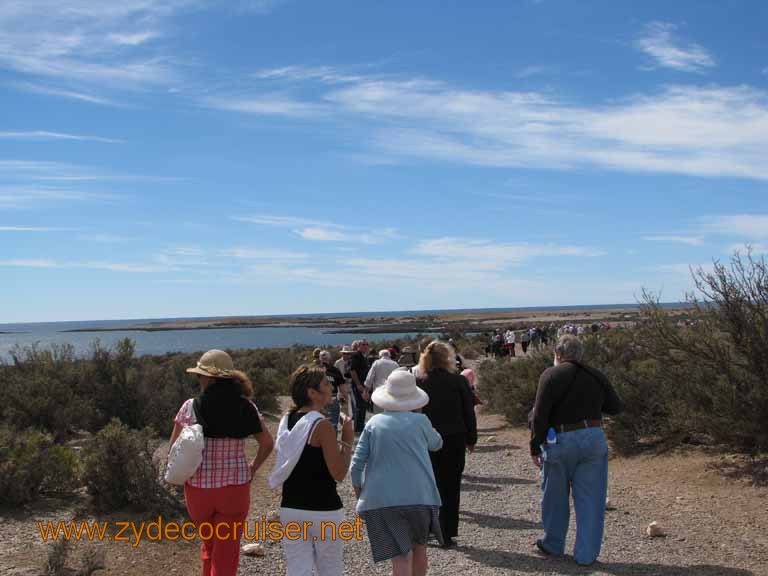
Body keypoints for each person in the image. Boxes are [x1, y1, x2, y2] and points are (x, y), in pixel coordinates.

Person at [170, 349, 274, 576]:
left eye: (200, 375)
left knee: (209, 545)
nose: (198, 380)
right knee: (226, 551)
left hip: (198, 491)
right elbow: (267, 443)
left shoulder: (189, 406)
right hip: (234, 490)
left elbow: (173, 449)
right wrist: (252, 468)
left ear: (209, 377)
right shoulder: (247, 406)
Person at [529, 335, 623, 566]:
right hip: (593, 438)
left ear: (558, 355)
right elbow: (615, 407)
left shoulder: (551, 375)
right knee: (591, 499)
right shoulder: (596, 375)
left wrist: (534, 445)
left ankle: (553, 544)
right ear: (580, 355)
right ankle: (586, 554)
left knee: (554, 496)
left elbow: (540, 414)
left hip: (560, 440)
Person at [351, 369, 444, 575]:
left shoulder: (373, 423)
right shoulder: (421, 422)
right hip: (421, 496)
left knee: (400, 557)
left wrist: (360, 495)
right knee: (420, 550)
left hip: (384, 500)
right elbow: (437, 444)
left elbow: (356, 465)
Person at [268, 365, 355, 576]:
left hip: (291, 507)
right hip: (324, 508)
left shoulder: (287, 421)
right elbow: (339, 473)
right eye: (326, 383)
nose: (331, 387)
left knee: (297, 569)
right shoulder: (321, 425)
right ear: (312, 392)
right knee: (330, 568)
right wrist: (347, 440)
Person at [417, 341, 477, 547]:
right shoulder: (458, 381)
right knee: (450, 486)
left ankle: (426, 530)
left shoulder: (419, 382)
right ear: (448, 358)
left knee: (427, 485)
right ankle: (447, 532)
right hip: (454, 438)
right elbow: (468, 411)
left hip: (425, 440)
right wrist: (472, 438)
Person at [319, 350, 345, 430]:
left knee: (318, 424)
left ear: (320, 359)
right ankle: (332, 441)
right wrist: (345, 398)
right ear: (329, 359)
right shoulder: (335, 370)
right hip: (332, 398)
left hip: (318, 399)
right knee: (333, 424)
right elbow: (342, 388)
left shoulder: (315, 370)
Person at [350, 340, 371, 434]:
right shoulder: (356, 356)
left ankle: (360, 426)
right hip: (358, 385)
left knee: (362, 406)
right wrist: (358, 384)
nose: (365, 346)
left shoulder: (364, 357)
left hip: (364, 385)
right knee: (360, 406)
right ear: (358, 346)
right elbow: (352, 371)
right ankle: (358, 428)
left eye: (367, 344)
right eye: (363, 344)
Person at [334, 345, 354, 419]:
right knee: (343, 406)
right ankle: (344, 423)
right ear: (342, 354)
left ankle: (354, 424)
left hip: (351, 386)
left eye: (348, 353)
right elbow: (335, 374)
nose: (347, 355)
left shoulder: (352, 362)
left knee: (354, 405)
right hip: (342, 386)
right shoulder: (338, 363)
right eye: (345, 353)